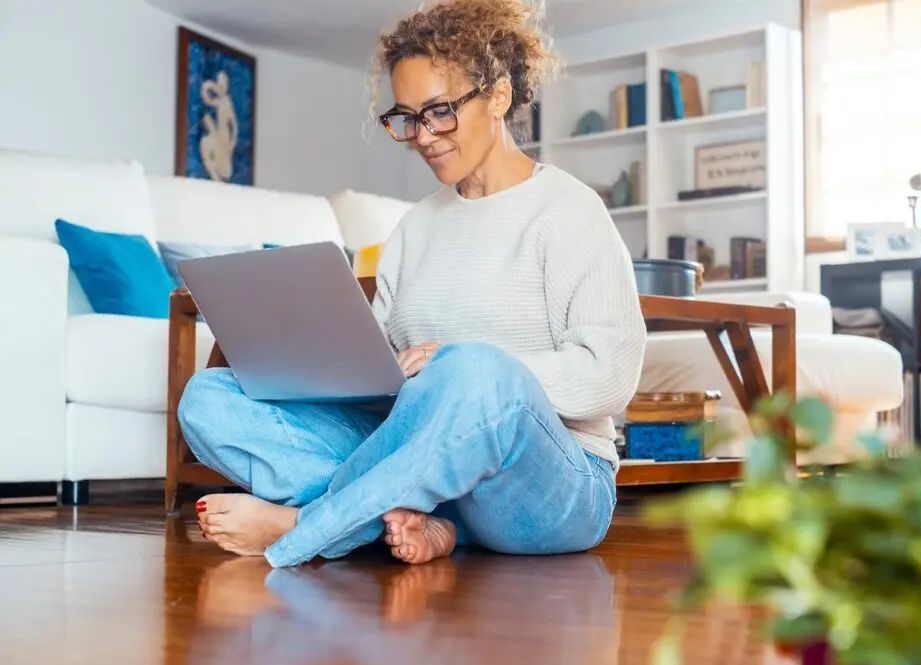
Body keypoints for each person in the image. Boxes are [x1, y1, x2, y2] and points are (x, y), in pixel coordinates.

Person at [178, 0, 646, 569]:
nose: (423, 135)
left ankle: (309, 526)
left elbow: (609, 379)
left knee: (475, 371)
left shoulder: (569, 211)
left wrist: (459, 363)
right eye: (405, 118)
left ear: (497, 94)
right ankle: (422, 525)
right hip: (432, 476)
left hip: (552, 484)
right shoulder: (415, 227)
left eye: (440, 111)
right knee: (209, 397)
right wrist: (340, 367)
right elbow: (390, 383)